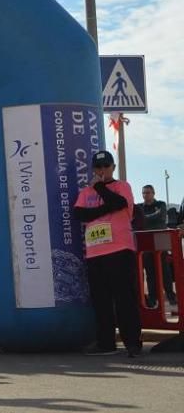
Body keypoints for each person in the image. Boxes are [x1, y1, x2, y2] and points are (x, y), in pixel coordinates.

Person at [73, 151, 143, 357]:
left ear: (113, 167)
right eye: (98, 167)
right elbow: (79, 214)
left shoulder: (122, 186)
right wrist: (105, 209)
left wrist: (100, 187)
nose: (102, 170)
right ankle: (106, 343)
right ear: (94, 169)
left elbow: (120, 204)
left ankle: (132, 342)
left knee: (125, 298)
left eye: (106, 166)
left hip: (119, 249)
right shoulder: (86, 192)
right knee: (101, 300)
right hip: (95, 252)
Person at [133, 184, 177, 309]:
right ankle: (153, 298)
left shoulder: (161, 205)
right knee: (150, 271)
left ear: (153, 193)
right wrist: (149, 218)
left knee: (164, 270)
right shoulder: (139, 207)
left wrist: (144, 219)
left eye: (148, 192)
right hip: (145, 241)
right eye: (143, 193)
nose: (145, 195)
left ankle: (171, 296)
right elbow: (137, 221)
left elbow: (161, 217)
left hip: (160, 239)